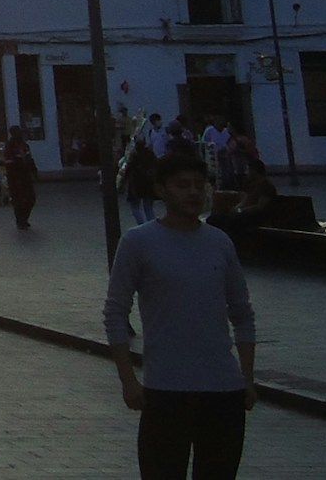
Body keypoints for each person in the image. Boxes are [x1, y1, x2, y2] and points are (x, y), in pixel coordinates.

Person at [105, 152, 259, 479]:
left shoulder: (219, 243)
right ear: (161, 190)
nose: (193, 193)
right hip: (165, 390)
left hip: (222, 389)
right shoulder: (138, 242)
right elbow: (116, 312)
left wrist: (246, 376)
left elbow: (242, 313)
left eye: (199, 186)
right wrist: (128, 380)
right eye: (182, 185)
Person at [4, 125, 39, 230]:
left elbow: (29, 159)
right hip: (15, 177)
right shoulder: (9, 146)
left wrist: (34, 171)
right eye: (18, 133)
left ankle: (24, 218)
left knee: (31, 198)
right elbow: (9, 162)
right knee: (18, 199)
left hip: (26, 176)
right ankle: (20, 220)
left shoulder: (25, 146)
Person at [124, 135, 160, 225]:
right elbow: (156, 166)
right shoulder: (150, 153)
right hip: (149, 184)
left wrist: (124, 181)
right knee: (148, 207)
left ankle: (142, 225)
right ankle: (152, 226)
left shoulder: (134, 155)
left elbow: (128, 169)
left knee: (135, 207)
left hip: (136, 185)